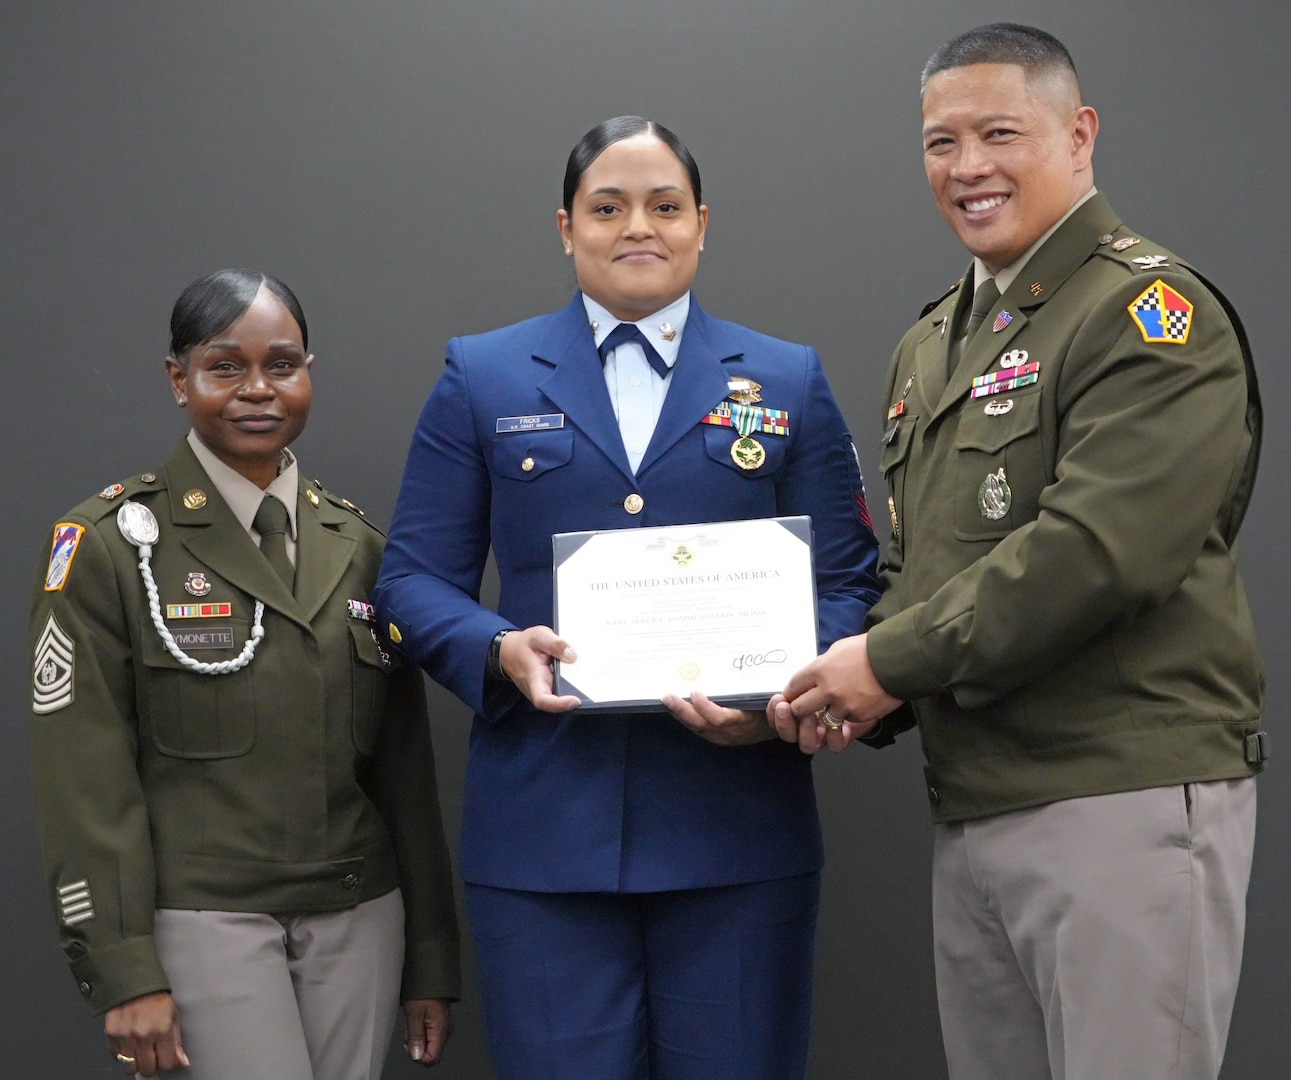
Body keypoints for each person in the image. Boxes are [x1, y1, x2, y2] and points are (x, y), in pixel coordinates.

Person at [774, 23, 1266, 1080]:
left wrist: (881, 665)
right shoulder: (933, 342)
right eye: (940, 142)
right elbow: (921, 572)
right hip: (977, 806)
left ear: (1078, 135)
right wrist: (817, 687)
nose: (967, 167)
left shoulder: (1147, 314)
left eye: (999, 133)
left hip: (1116, 798)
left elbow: (1095, 554)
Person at [373, 116, 880, 1079]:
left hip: (738, 830)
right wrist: (496, 649)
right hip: (544, 836)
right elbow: (408, 582)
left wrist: (783, 695)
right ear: (566, 228)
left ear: (702, 225)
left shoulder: (785, 377)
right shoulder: (481, 374)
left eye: (664, 206)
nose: (637, 227)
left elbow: (849, 576)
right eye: (608, 208)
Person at [29, 269, 460, 1079]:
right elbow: (85, 782)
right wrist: (123, 965)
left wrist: (430, 956)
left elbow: (405, 773)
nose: (258, 389)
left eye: (282, 365)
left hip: (359, 913)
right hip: (203, 917)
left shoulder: (360, 548)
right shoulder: (111, 546)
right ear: (178, 378)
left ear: (308, 373)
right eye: (225, 366)